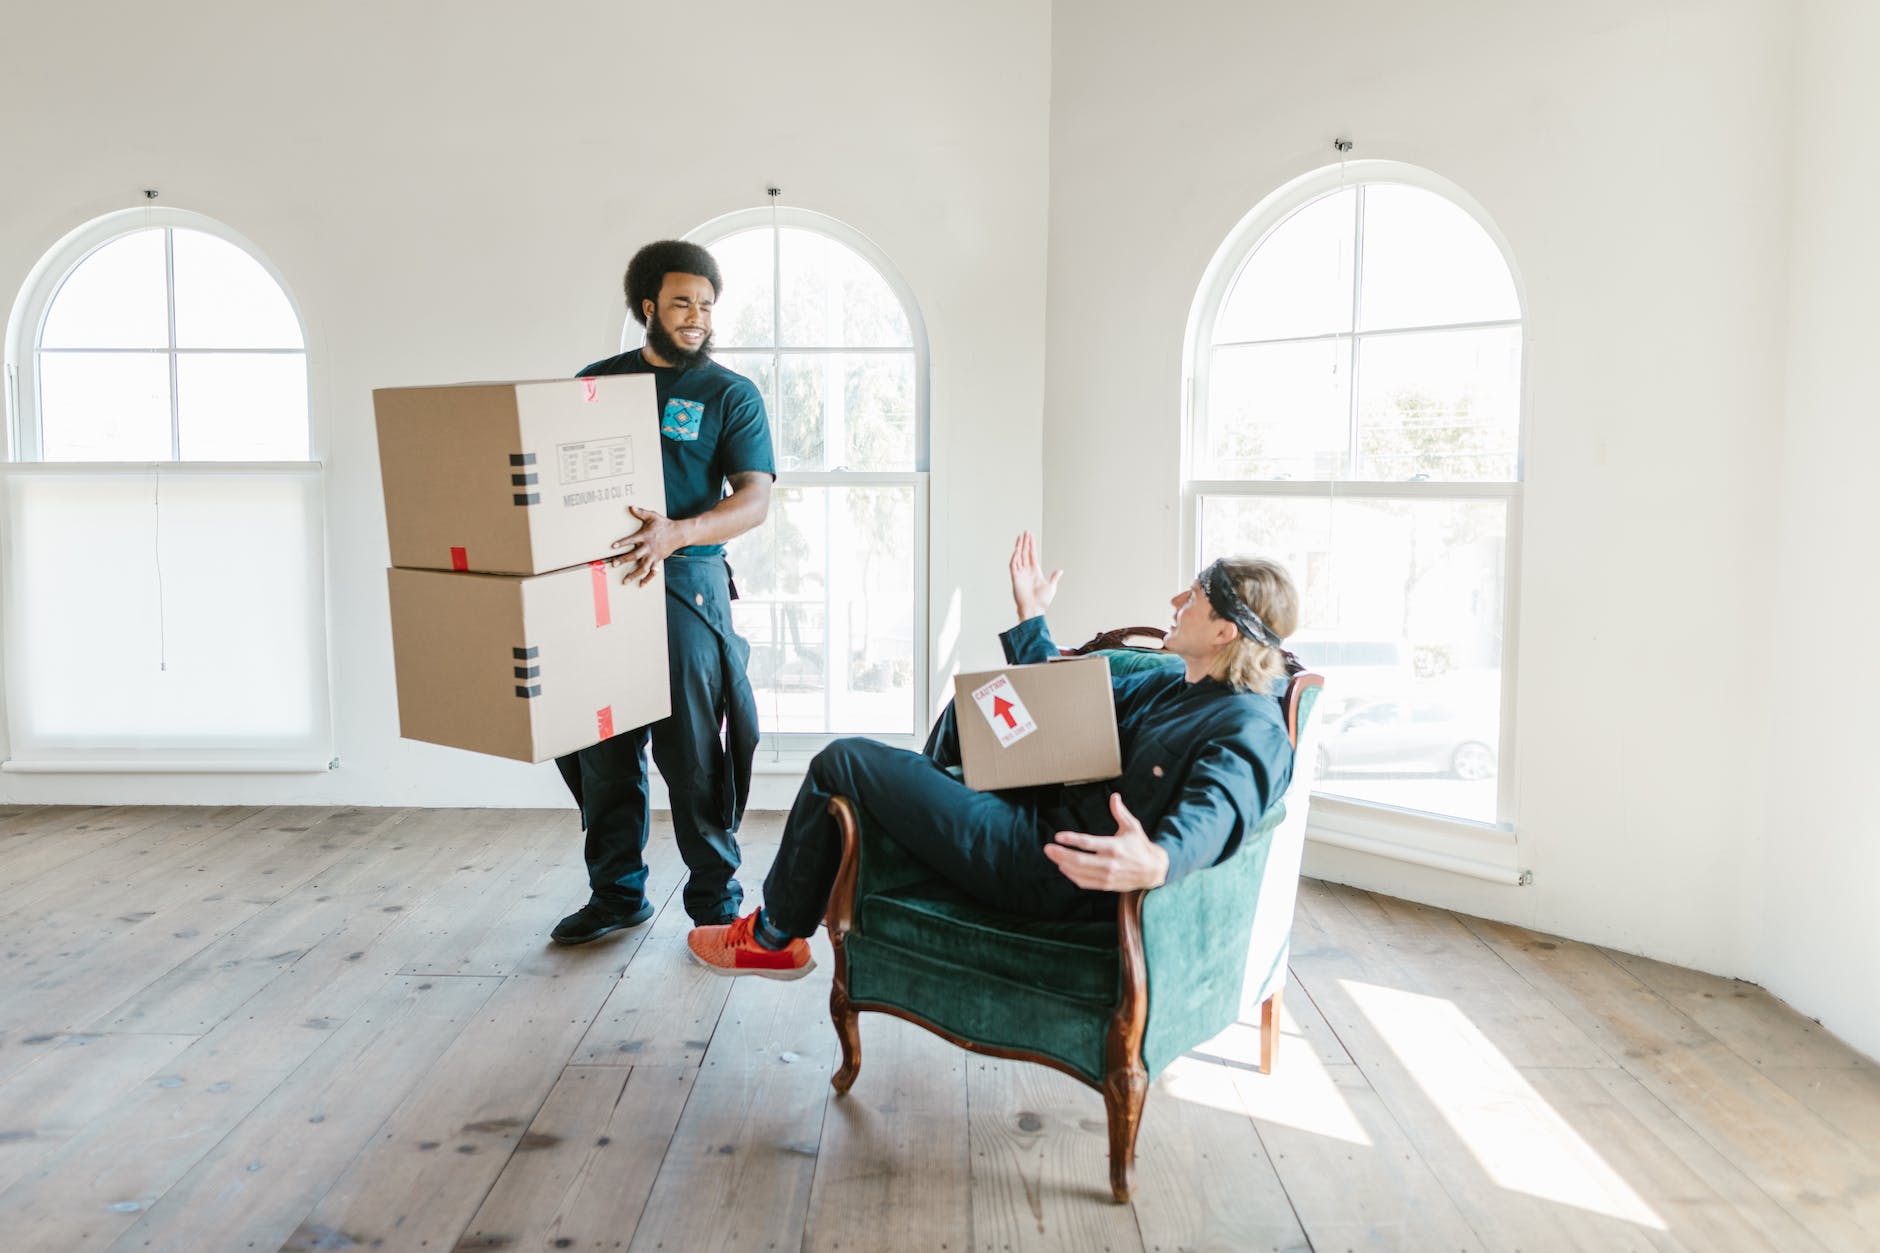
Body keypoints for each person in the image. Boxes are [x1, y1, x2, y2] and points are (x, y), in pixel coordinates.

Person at [686, 532, 1299, 978]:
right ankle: (884, 854)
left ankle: (774, 937)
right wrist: (1031, 614)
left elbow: (1222, 807)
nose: (1174, 602)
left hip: (1046, 864)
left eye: (1192, 597)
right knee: (972, 708)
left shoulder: (1248, 726)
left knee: (841, 761)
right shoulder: (1173, 679)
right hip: (1038, 812)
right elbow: (1062, 705)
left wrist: (1159, 861)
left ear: (1225, 632)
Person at [551, 240, 776, 945]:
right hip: (601, 590)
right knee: (603, 749)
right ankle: (615, 894)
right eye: (682, 302)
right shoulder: (595, 385)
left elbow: (755, 500)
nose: (697, 316)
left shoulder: (729, 394)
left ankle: (715, 903)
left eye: (706, 305)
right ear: (648, 306)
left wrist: (676, 533)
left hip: (687, 585)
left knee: (694, 757)